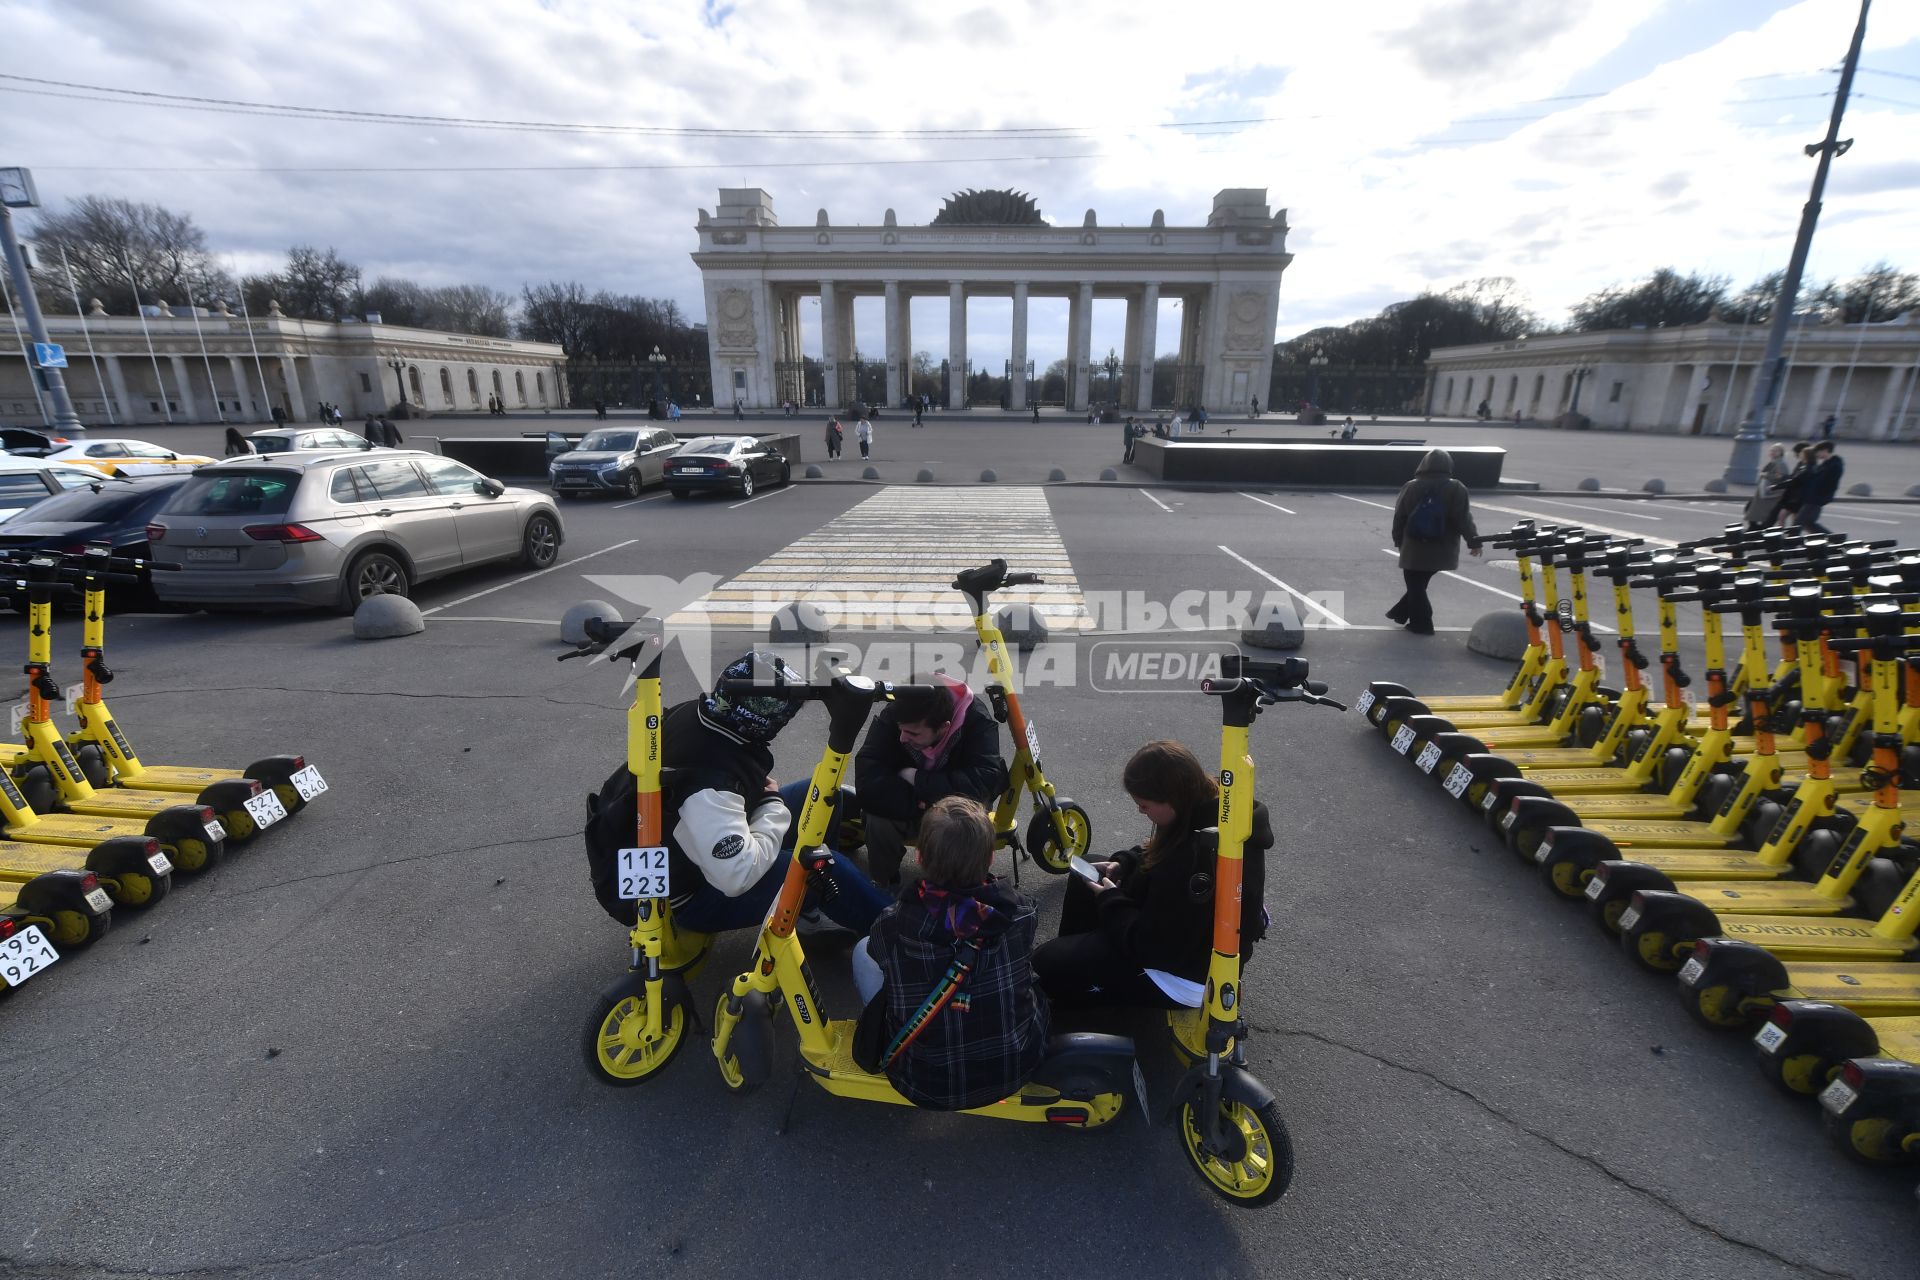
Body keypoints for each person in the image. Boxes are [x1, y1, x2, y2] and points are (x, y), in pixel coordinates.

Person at [590, 651, 891, 938]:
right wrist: (772, 805)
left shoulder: (709, 712)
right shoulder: (709, 786)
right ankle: (899, 937)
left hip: (695, 840)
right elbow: (737, 877)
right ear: (762, 722)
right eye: (782, 719)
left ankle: (812, 909)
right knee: (825, 870)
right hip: (694, 894)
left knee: (823, 794)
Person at [1032, 740, 1272, 1010]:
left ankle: (1082, 977)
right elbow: (1163, 854)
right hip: (1173, 935)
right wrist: (1125, 862)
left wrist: (1111, 900)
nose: (1140, 811)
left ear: (1172, 799)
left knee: (1044, 965)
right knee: (1087, 870)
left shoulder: (1193, 859)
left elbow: (1155, 949)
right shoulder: (1205, 804)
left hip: (1181, 977)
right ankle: (1086, 960)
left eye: (1145, 806)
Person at [848, 795, 1049, 1109]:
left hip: (923, 1081)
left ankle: (896, 1026)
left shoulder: (895, 922)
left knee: (864, 952)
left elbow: (884, 955)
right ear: (989, 859)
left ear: (919, 857)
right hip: (1014, 1067)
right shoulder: (1022, 912)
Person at [853, 675, 1009, 889]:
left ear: (944, 728)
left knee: (964, 825)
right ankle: (884, 884)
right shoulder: (898, 712)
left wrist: (918, 780)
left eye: (912, 733)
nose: (902, 738)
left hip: (954, 810)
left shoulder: (978, 722)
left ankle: (959, 893)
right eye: (901, 730)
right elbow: (867, 777)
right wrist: (921, 804)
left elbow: (982, 781)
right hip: (910, 803)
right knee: (878, 820)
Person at [1388, 448, 1482, 636]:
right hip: (1443, 547)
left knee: (1415, 584)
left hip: (1414, 546)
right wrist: (1473, 541)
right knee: (1419, 584)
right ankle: (1401, 614)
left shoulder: (1411, 486)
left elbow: (1399, 517)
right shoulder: (1456, 488)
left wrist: (1398, 541)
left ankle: (1422, 624)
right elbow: (1463, 518)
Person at [1796, 440, 1844, 533]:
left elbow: (1831, 484)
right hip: (1814, 497)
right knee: (1809, 523)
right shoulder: (1826, 463)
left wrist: (1818, 494)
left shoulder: (1835, 465)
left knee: (1798, 522)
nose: (1816, 454)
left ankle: (1790, 544)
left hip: (1817, 498)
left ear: (1825, 451)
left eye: (1818, 452)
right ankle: (1833, 539)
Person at [1746, 443, 1790, 529]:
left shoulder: (1780, 463)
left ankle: (1756, 529)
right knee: (1751, 510)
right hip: (1765, 492)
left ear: (1781, 453)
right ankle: (1755, 528)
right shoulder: (1774, 462)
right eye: (1771, 450)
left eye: (1776, 451)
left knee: (1754, 511)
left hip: (1770, 493)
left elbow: (1781, 477)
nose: (1772, 452)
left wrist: (1766, 475)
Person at [1774, 441, 1813, 527]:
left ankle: (1790, 537)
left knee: (1793, 520)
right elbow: (1793, 477)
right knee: (1783, 516)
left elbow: (1795, 480)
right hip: (1794, 496)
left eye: (1796, 452)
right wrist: (1783, 477)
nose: (1795, 454)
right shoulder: (1801, 464)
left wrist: (1776, 486)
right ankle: (1784, 536)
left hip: (1799, 497)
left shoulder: (1808, 467)